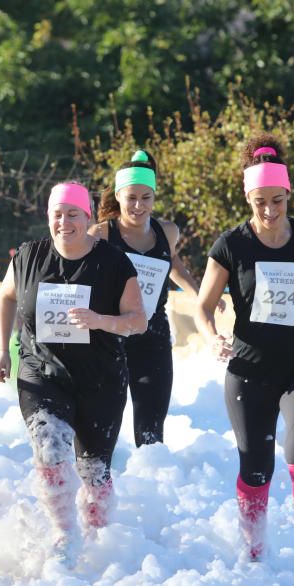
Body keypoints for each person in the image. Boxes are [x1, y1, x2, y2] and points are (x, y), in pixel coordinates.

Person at [195, 133, 294, 586]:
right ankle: (253, 553)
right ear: (248, 197)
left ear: (289, 196)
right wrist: (212, 339)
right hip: (249, 369)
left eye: (277, 200)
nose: (268, 210)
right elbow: (202, 307)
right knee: (256, 465)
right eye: (260, 201)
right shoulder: (231, 245)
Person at [0, 182, 147, 565]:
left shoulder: (112, 263)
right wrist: (1, 349)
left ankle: (97, 542)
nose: (65, 222)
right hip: (40, 372)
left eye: (73, 214)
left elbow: (138, 321)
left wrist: (99, 320)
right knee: (50, 450)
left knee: (94, 472)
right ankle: (64, 535)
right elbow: (7, 296)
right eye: (57, 214)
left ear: (88, 216)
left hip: (100, 379)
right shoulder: (28, 255)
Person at [91, 150, 221, 447]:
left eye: (146, 198)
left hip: (153, 334)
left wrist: (201, 295)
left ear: (154, 197)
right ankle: (100, 478)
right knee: (102, 418)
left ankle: (148, 477)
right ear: (119, 196)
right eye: (131, 197)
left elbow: (173, 263)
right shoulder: (101, 235)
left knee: (151, 421)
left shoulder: (168, 231)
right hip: (112, 335)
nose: (138, 206)